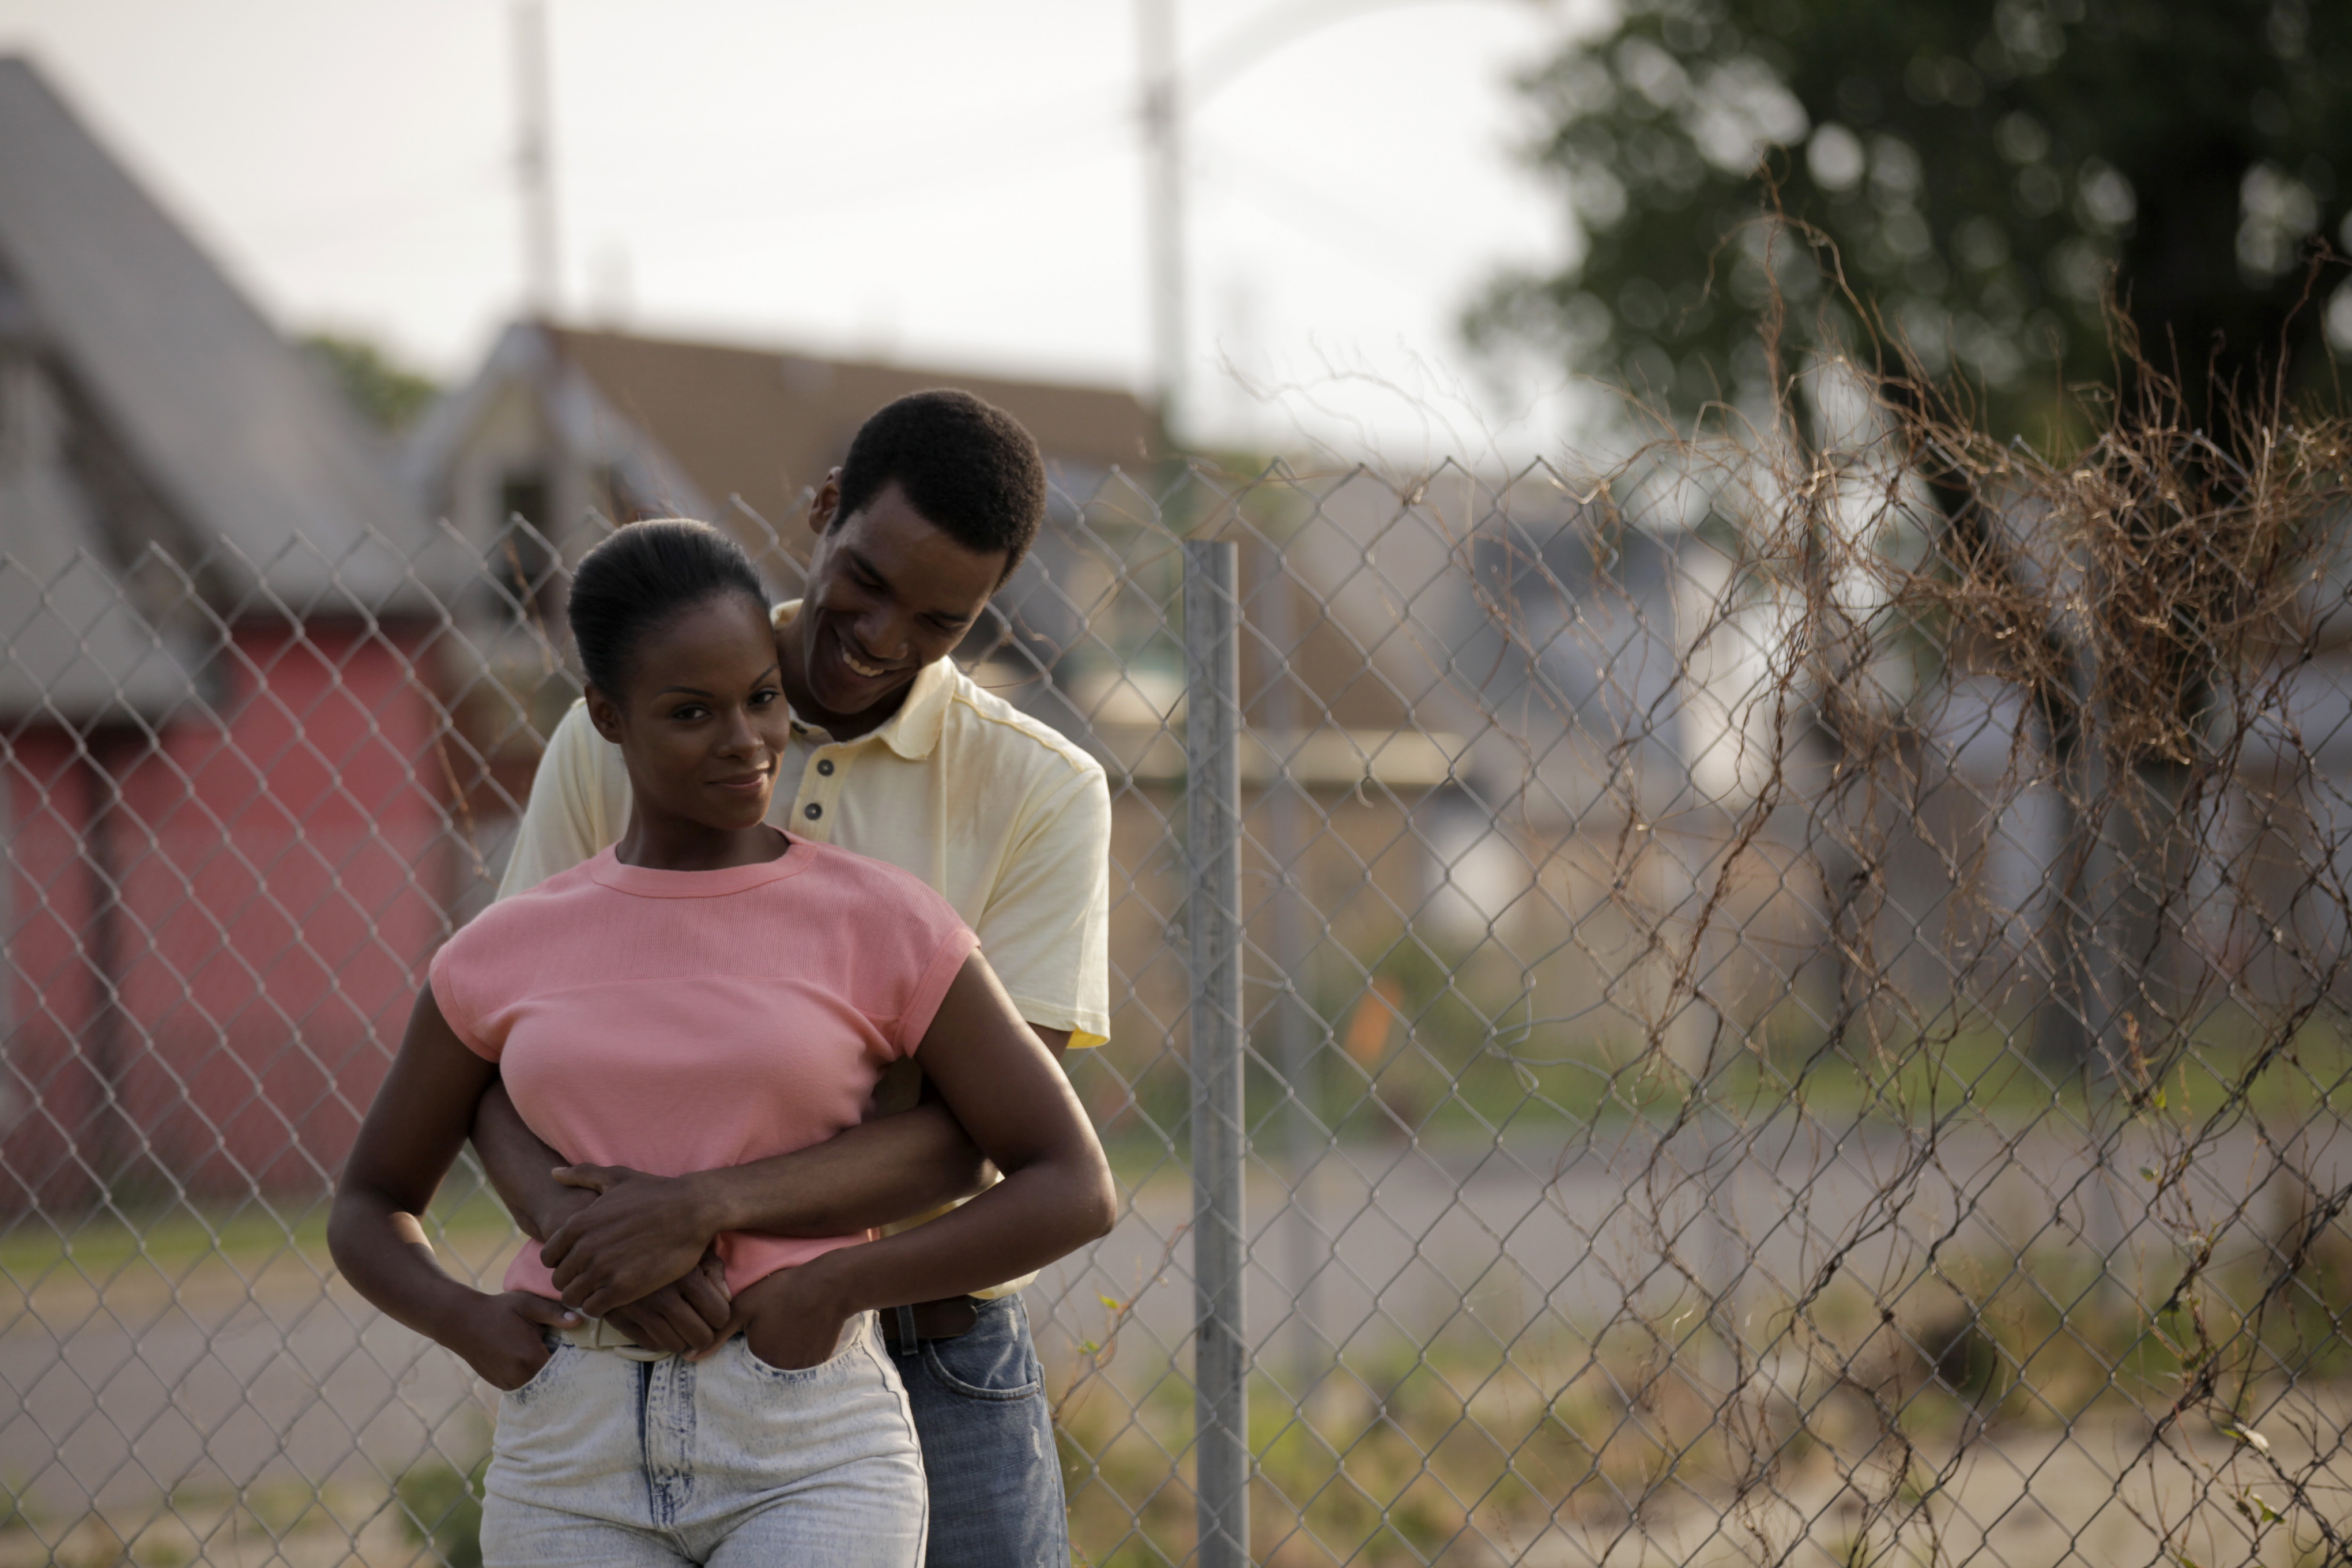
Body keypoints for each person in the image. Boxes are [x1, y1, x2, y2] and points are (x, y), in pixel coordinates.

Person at [329, 518, 1115, 1567]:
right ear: (607, 718)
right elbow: (370, 1200)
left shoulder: (886, 920)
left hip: (804, 1429)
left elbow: (1070, 1182)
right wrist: (466, 1320)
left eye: (760, 699)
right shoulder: (503, 949)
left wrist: (837, 1286)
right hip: (571, 1448)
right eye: (692, 713)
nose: (745, 741)